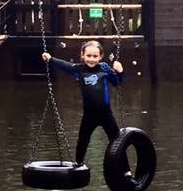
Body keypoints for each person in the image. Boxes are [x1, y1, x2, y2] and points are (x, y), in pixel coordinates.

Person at [42, 40, 127, 171]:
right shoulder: (79, 69)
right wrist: (50, 59)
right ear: (82, 55)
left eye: (95, 56)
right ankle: (78, 164)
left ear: (100, 56)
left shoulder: (104, 68)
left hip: (106, 115)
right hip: (89, 116)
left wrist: (120, 71)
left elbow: (117, 83)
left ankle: (126, 170)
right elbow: (65, 66)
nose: (91, 59)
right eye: (88, 56)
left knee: (116, 142)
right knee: (82, 141)